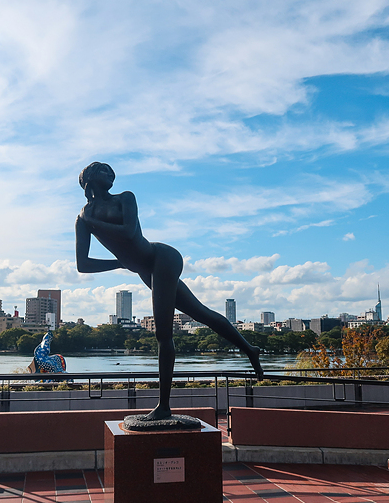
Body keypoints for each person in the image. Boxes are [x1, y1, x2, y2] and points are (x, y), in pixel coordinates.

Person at [76, 162, 264, 421]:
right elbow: (83, 265)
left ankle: (164, 406)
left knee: (163, 334)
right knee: (201, 313)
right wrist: (120, 263)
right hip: (145, 269)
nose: (112, 174)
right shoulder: (83, 218)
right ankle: (248, 348)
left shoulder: (124, 199)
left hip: (162, 258)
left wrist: (93, 222)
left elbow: (129, 233)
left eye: (112, 171)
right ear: (90, 178)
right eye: (104, 171)